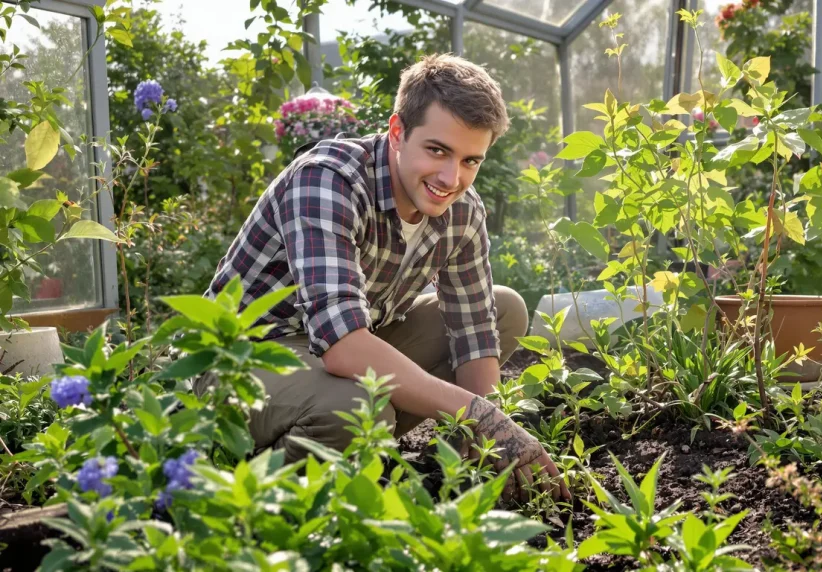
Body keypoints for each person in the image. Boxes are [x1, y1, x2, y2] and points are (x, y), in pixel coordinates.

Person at [200, 54, 568, 501]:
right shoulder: (328, 180)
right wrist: (482, 414)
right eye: (438, 150)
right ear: (397, 132)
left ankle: (447, 473)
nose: (452, 178)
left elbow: (474, 338)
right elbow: (343, 346)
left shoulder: (462, 211)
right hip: (246, 358)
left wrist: (495, 444)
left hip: (338, 352)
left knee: (504, 308)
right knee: (356, 410)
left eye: (471, 160)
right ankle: (251, 495)